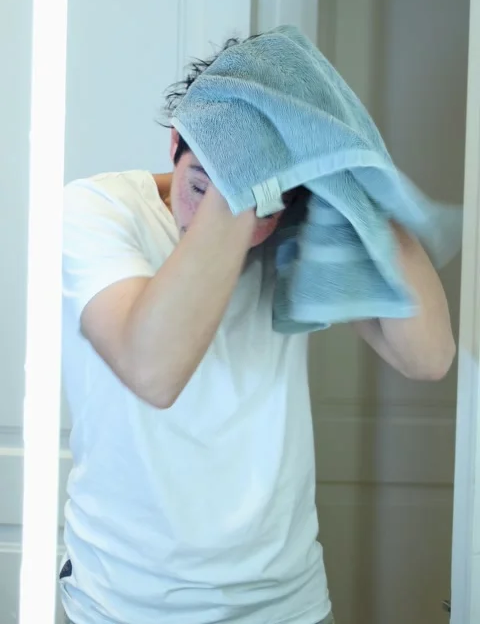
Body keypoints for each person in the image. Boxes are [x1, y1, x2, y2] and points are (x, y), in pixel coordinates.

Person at [60, 36, 456, 624]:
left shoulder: (290, 227)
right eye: (201, 184)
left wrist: (352, 175)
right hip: (120, 601)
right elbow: (154, 370)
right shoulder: (96, 210)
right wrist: (239, 174)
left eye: (265, 206)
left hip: (283, 603)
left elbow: (429, 356)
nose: (240, 224)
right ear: (174, 144)